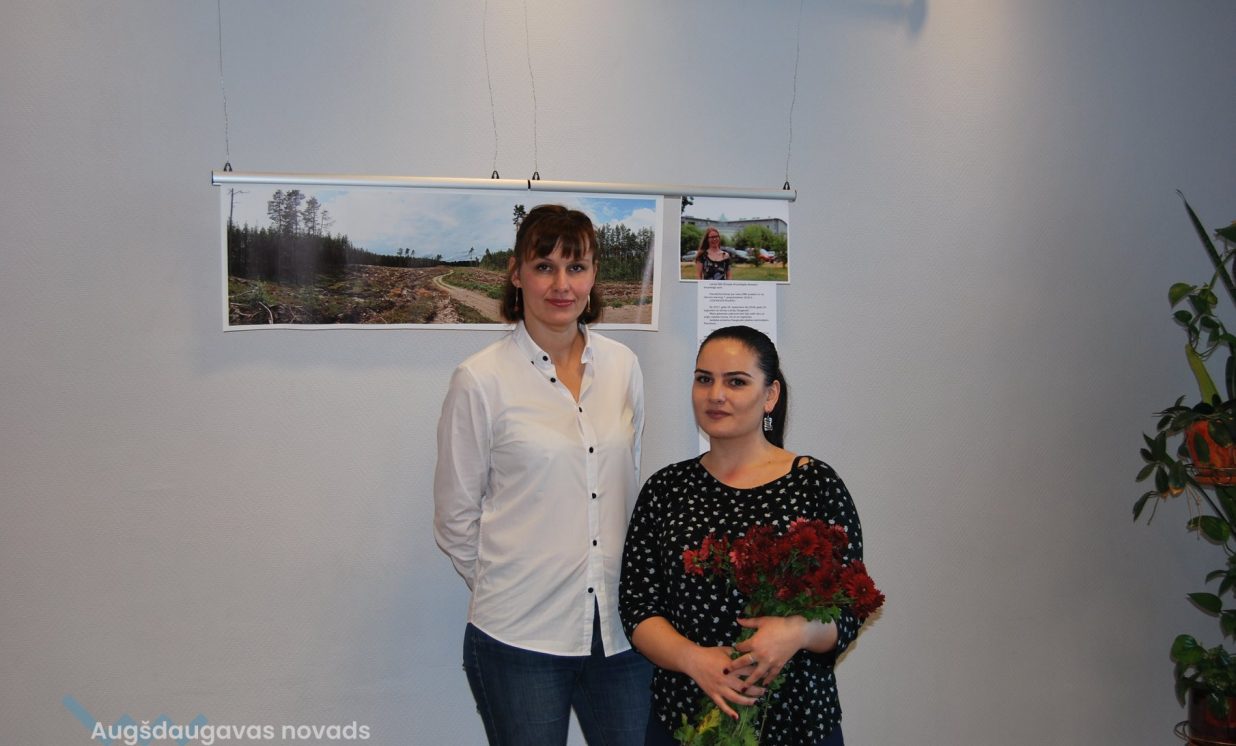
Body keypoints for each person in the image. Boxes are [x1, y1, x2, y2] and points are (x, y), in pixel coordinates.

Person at [434, 204, 651, 745]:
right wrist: (510, 584)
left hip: (619, 631)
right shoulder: (480, 379)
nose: (561, 285)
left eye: (576, 267)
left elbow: (625, 478)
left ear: (594, 275)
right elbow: (455, 517)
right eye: (544, 267)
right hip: (520, 637)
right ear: (516, 273)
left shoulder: (623, 366)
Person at [619, 326, 866, 746]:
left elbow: (850, 608)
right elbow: (637, 606)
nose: (716, 394)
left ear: (770, 395)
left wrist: (797, 632)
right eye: (704, 379)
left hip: (797, 721)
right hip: (687, 719)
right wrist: (695, 660)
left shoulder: (814, 484)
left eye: (736, 382)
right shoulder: (666, 489)